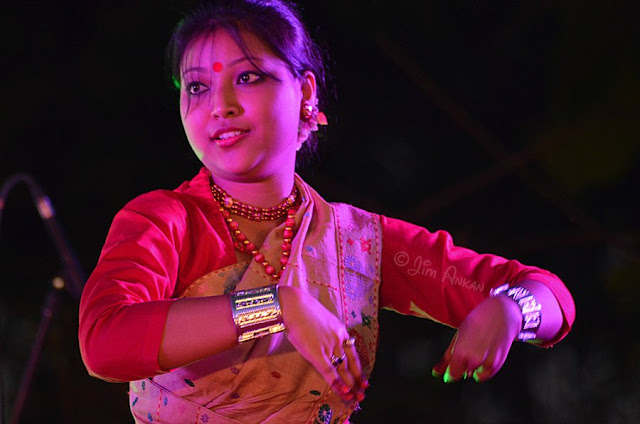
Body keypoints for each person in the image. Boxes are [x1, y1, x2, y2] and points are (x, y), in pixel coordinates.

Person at [78, 1, 576, 423]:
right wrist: (276, 307)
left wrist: (513, 309)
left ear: (306, 94)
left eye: (247, 76)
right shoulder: (165, 221)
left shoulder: (354, 242)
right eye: (197, 87)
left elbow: (548, 295)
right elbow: (104, 341)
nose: (220, 106)